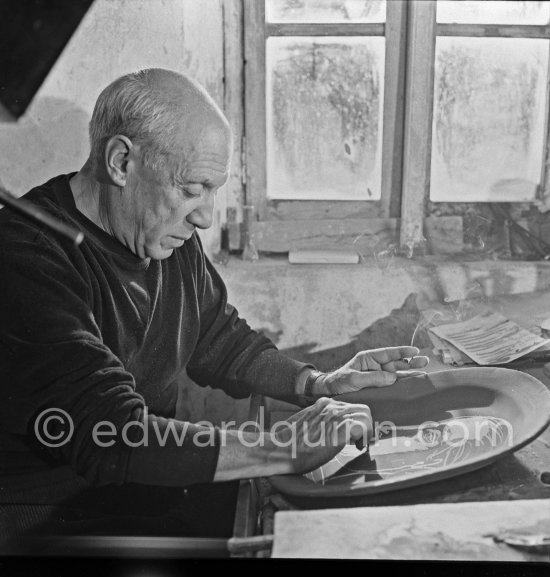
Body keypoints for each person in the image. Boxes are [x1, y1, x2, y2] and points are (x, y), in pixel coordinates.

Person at [0, 68, 428, 542]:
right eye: (190, 189)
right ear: (121, 162)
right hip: (48, 518)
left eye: (212, 190)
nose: (204, 216)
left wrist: (315, 383)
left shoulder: (163, 235)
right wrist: (283, 448)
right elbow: (114, 434)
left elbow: (221, 340)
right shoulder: (26, 255)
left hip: (140, 485)